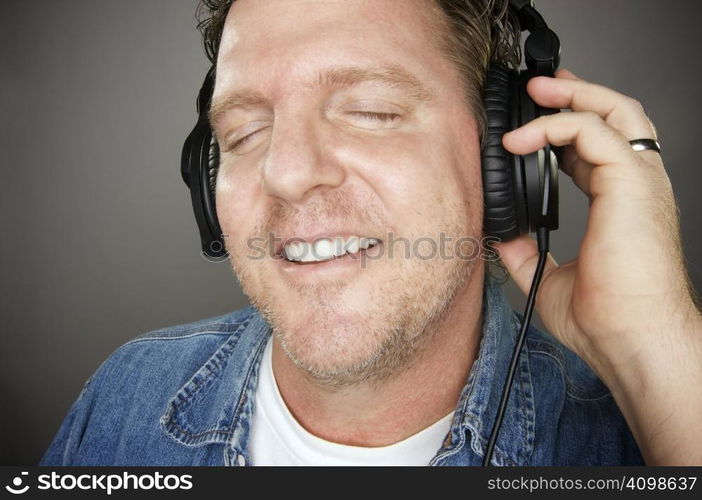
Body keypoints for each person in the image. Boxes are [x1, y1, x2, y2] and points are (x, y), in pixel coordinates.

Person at [40, 0, 701, 466]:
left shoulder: (636, 437)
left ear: (508, 157)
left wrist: (656, 347)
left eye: (371, 111)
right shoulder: (127, 392)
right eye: (245, 132)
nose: (288, 173)